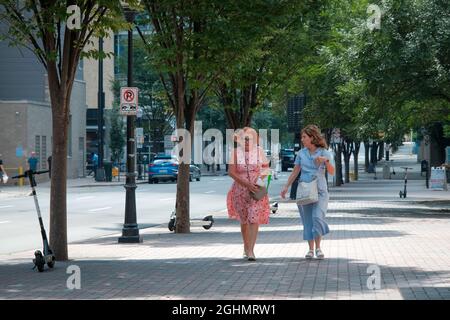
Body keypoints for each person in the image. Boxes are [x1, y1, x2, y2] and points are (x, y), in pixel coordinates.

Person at [281, 125, 335, 260]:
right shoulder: (301, 153)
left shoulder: (324, 152)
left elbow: (332, 172)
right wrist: (286, 186)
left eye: (304, 137)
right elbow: (295, 171)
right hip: (305, 190)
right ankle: (312, 249)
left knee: (317, 217)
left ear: (312, 137)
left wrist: (325, 161)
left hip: (320, 190)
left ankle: (319, 247)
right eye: (302, 137)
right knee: (308, 221)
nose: (302, 139)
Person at [227, 127, 271, 261]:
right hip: (240, 190)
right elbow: (231, 172)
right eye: (244, 139)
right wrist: (246, 184)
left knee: (254, 218)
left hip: (256, 190)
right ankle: (246, 247)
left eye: (249, 139)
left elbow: (266, 170)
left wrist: (258, 182)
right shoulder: (235, 152)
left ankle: (251, 250)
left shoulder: (260, 152)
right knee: (244, 220)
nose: (246, 141)